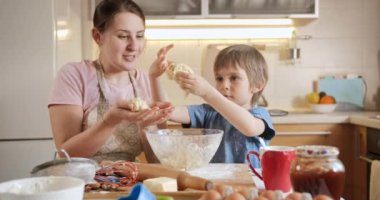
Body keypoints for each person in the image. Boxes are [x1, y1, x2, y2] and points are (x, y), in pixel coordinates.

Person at [48, 0, 174, 163]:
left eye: (140, 36)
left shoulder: (145, 81)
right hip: (83, 181)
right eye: (123, 36)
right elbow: (66, 153)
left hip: (129, 181)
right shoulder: (74, 75)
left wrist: (147, 126)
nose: (134, 46)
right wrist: (110, 121)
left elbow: (158, 161)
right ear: (97, 36)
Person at [152, 44, 275, 167]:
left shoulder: (260, 115)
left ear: (257, 85)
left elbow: (249, 128)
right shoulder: (209, 112)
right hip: (213, 184)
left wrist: (208, 93)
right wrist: (154, 78)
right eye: (219, 78)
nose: (224, 85)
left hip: (251, 184)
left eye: (234, 78)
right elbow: (167, 110)